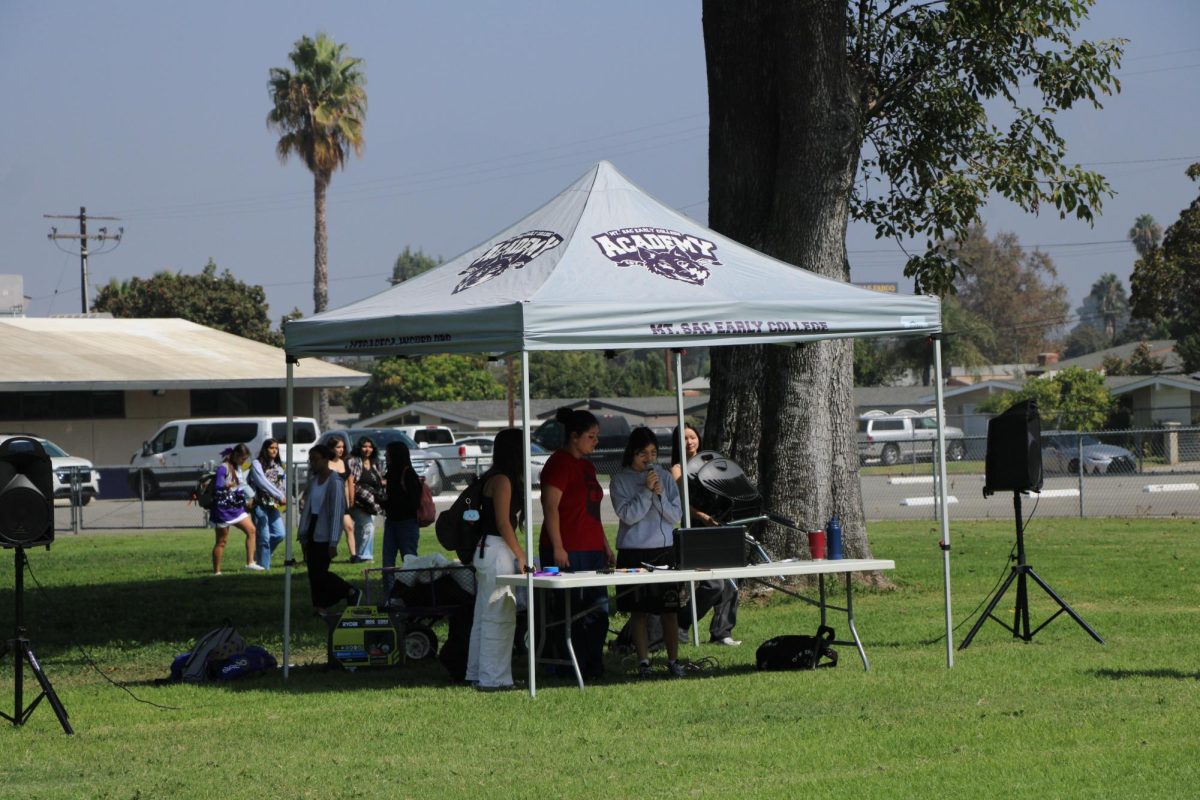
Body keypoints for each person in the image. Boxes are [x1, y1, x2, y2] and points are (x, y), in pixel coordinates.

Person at [539, 407, 613, 679]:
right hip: (567, 550)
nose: (596, 441)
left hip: (592, 548)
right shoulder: (558, 463)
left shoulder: (588, 465)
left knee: (597, 610)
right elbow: (550, 506)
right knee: (568, 611)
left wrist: (604, 544)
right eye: (591, 436)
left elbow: (592, 509)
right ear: (574, 437)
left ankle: (592, 664)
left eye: (596, 436)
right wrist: (558, 547)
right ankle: (565, 666)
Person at [610, 427, 686, 678]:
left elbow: (676, 515)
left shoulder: (664, 476)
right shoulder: (619, 480)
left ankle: (674, 661)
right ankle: (643, 662)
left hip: (663, 552)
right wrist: (645, 491)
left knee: (669, 610)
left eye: (653, 453)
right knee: (638, 611)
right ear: (632, 453)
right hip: (633, 552)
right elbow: (628, 516)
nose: (649, 459)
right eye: (643, 453)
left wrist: (659, 495)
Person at [465, 427, 527, 691]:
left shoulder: (494, 476)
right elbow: (503, 523)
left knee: (484, 613)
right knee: (499, 612)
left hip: (487, 550)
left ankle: (478, 672)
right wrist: (521, 555)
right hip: (496, 550)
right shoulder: (502, 480)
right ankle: (494, 677)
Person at [670, 423, 741, 646]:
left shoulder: (708, 463)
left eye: (693, 437)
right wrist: (701, 517)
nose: (690, 442)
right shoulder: (677, 468)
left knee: (731, 580)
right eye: (684, 438)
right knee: (713, 585)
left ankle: (722, 632)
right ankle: (682, 623)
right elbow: (682, 502)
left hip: (717, 526)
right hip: (696, 531)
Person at [300, 443, 361, 613]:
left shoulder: (334, 481)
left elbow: (336, 512)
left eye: (316, 459)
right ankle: (319, 606)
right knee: (313, 572)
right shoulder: (313, 481)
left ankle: (349, 591)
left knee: (321, 572)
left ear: (326, 459)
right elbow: (308, 508)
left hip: (325, 532)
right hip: (312, 528)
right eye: (310, 460)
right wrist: (303, 533)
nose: (313, 463)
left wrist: (333, 541)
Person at [211, 444, 263, 574]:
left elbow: (242, 485)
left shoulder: (238, 468)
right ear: (235, 455)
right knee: (222, 541)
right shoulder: (223, 468)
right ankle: (217, 572)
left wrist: (251, 497)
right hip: (223, 509)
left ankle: (250, 563)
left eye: (246, 459)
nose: (244, 461)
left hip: (236, 508)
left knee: (251, 530)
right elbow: (217, 486)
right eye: (242, 458)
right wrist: (226, 485)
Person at [382, 439, 423, 598]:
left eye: (388, 453)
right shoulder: (391, 474)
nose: (386, 456)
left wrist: (390, 502)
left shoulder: (408, 474)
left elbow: (413, 503)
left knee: (410, 561)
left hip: (406, 523)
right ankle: (389, 598)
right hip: (392, 522)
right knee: (387, 564)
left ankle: (413, 595)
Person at [248, 438, 287, 570]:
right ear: (265, 449)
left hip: (273, 505)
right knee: (263, 537)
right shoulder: (256, 464)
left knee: (280, 534)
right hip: (259, 504)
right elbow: (262, 482)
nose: (274, 450)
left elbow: (283, 484)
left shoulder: (279, 466)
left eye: (276, 448)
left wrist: (284, 497)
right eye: (271, 448)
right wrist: (279, 495)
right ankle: (264, 568)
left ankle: (260, 558)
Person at [346, 436, 384, 564]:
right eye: (364, 446)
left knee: (361, 529)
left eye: (370, 446)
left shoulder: (375, 463)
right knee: (368, 527)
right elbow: (350, 481)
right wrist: (351, 501)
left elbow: (380, 481)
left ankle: (357, 555)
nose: (367, 449)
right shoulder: (354, 461)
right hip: (358, 501)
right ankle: (365, 556)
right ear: (359, 448)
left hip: (371, 502)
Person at [322, 435, 358, 561]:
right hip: (329, 502)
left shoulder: (344, 462)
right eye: (338, 447)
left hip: (343, 502)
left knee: (349, 527)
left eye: (343, 447)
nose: (341, 450)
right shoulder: (326, 463)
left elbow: (347, 484)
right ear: (331, 448)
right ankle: (328, 554)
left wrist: (349, 501)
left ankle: (354, 555)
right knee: (330, 529)